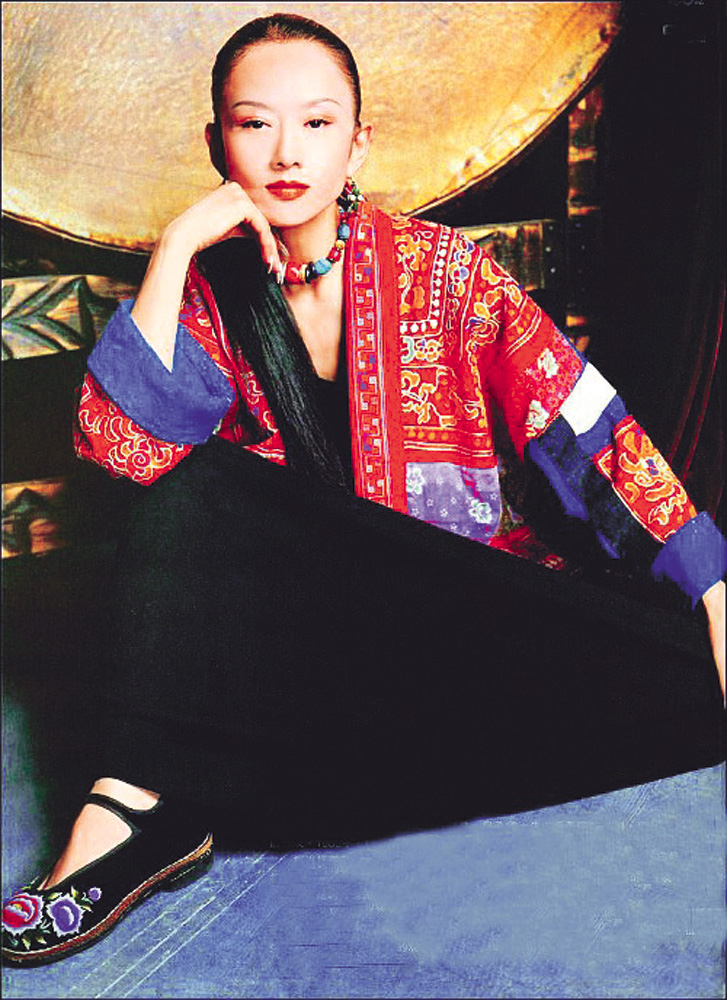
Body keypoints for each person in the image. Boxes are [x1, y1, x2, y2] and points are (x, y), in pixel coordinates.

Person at [3, 12, 725, 967]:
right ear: (216, 144)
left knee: (679, 676)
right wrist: (175, 248)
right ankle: (127, 808)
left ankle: (227, 788)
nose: (286, 152)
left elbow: (581, 426)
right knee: (182, 480)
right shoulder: (209, 294)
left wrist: (708, 581)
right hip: (308, 652)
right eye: (254, 124)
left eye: (316, 123)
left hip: (444, 622)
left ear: (357, 143)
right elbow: (121, 450)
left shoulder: (449, 277)